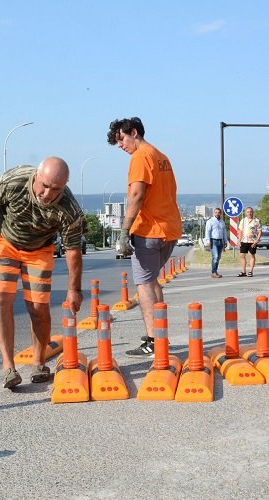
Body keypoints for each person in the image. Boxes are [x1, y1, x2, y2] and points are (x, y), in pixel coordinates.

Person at [0, 157, 85, 389]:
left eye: (56, 189)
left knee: (38, 307)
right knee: (1, 297)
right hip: (4, 241)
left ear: (65, 185)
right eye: (44, 185)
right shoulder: (14, 181)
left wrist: (74, 290)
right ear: (36, 177)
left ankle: (39, 362)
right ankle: (8, 366)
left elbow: (73, 251)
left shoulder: (70, 209)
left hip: (40, 250)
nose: (48, 193)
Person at [107, 117, 182, 356]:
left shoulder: (139, 157)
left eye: (121, 139)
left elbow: (137, 195)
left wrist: (124, 231)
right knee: (152, 281)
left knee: (144, 285)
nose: (120, 146)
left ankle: (153, 340)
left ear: (134, 132)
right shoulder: (161, 156)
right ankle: (159, 334)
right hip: (168, 230)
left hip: (149, 231)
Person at [237, 206, 261, 277]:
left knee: (252, 255)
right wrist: (239, 240)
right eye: (248, 212)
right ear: (245, 213)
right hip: (244, 241)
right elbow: (240, 231)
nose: (249, 213)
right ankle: (243, 271)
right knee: (242, 255)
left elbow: (259, 231)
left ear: (253, 212)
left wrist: (256, 240)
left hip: (252, 241)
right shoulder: (243, 221)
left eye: (251, 212)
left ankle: (250, 271)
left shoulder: (256, 221)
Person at [204, 207, 228, 278]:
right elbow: (207, 232)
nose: (217, 214)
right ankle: (214, 272)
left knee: (218, 257)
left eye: (218, 212)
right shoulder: (210, 221)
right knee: (215, 256)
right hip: (213, 240)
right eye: (216, 212)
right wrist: (207, 241)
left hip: (220, 241)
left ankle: (215, 272)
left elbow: (224, 232)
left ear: (220, 213)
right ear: (214, 213)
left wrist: (225, 241)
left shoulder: (222, 222)